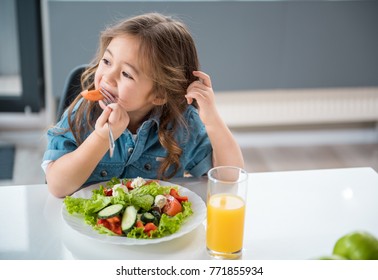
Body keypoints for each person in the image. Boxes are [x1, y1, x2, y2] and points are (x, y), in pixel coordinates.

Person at [42, 13, 244, 198]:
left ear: (159, 94)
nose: (108, 78)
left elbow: (229, 178)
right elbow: (58, 186)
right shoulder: (83, 113)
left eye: (126, 74)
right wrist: (102, 137)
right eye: (106, 61)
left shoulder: (184, 125)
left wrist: (212, 119)